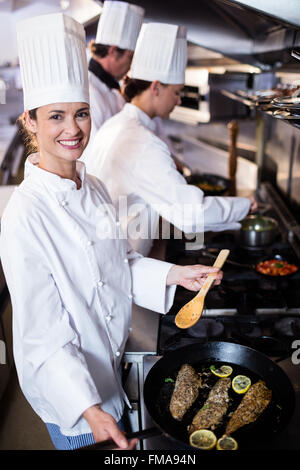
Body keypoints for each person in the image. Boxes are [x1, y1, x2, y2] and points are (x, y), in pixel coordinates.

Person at [0, 13, 223, 450]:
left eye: (81, 114)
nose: (73, 129)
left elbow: (121, 264)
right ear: (31, 121)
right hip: (73, 401)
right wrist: (88, 409)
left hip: (111, 371)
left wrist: (175, 274)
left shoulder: (94, 186)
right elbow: (43, 336)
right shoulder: (25, 215)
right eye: (56, 116)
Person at [84, 22, 257, 256]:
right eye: (176, 92)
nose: (178, 101)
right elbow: (191, 213)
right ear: (156, 87)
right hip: (120, 261)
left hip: (106, 251)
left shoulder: (116, 125)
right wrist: (245, 206)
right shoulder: (142, 142)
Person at [87, 0, 144, 141]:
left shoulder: (111, 88)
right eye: (130, 57)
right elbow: (96, 152)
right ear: (113, 51)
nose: (130, 65)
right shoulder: (90, 93)